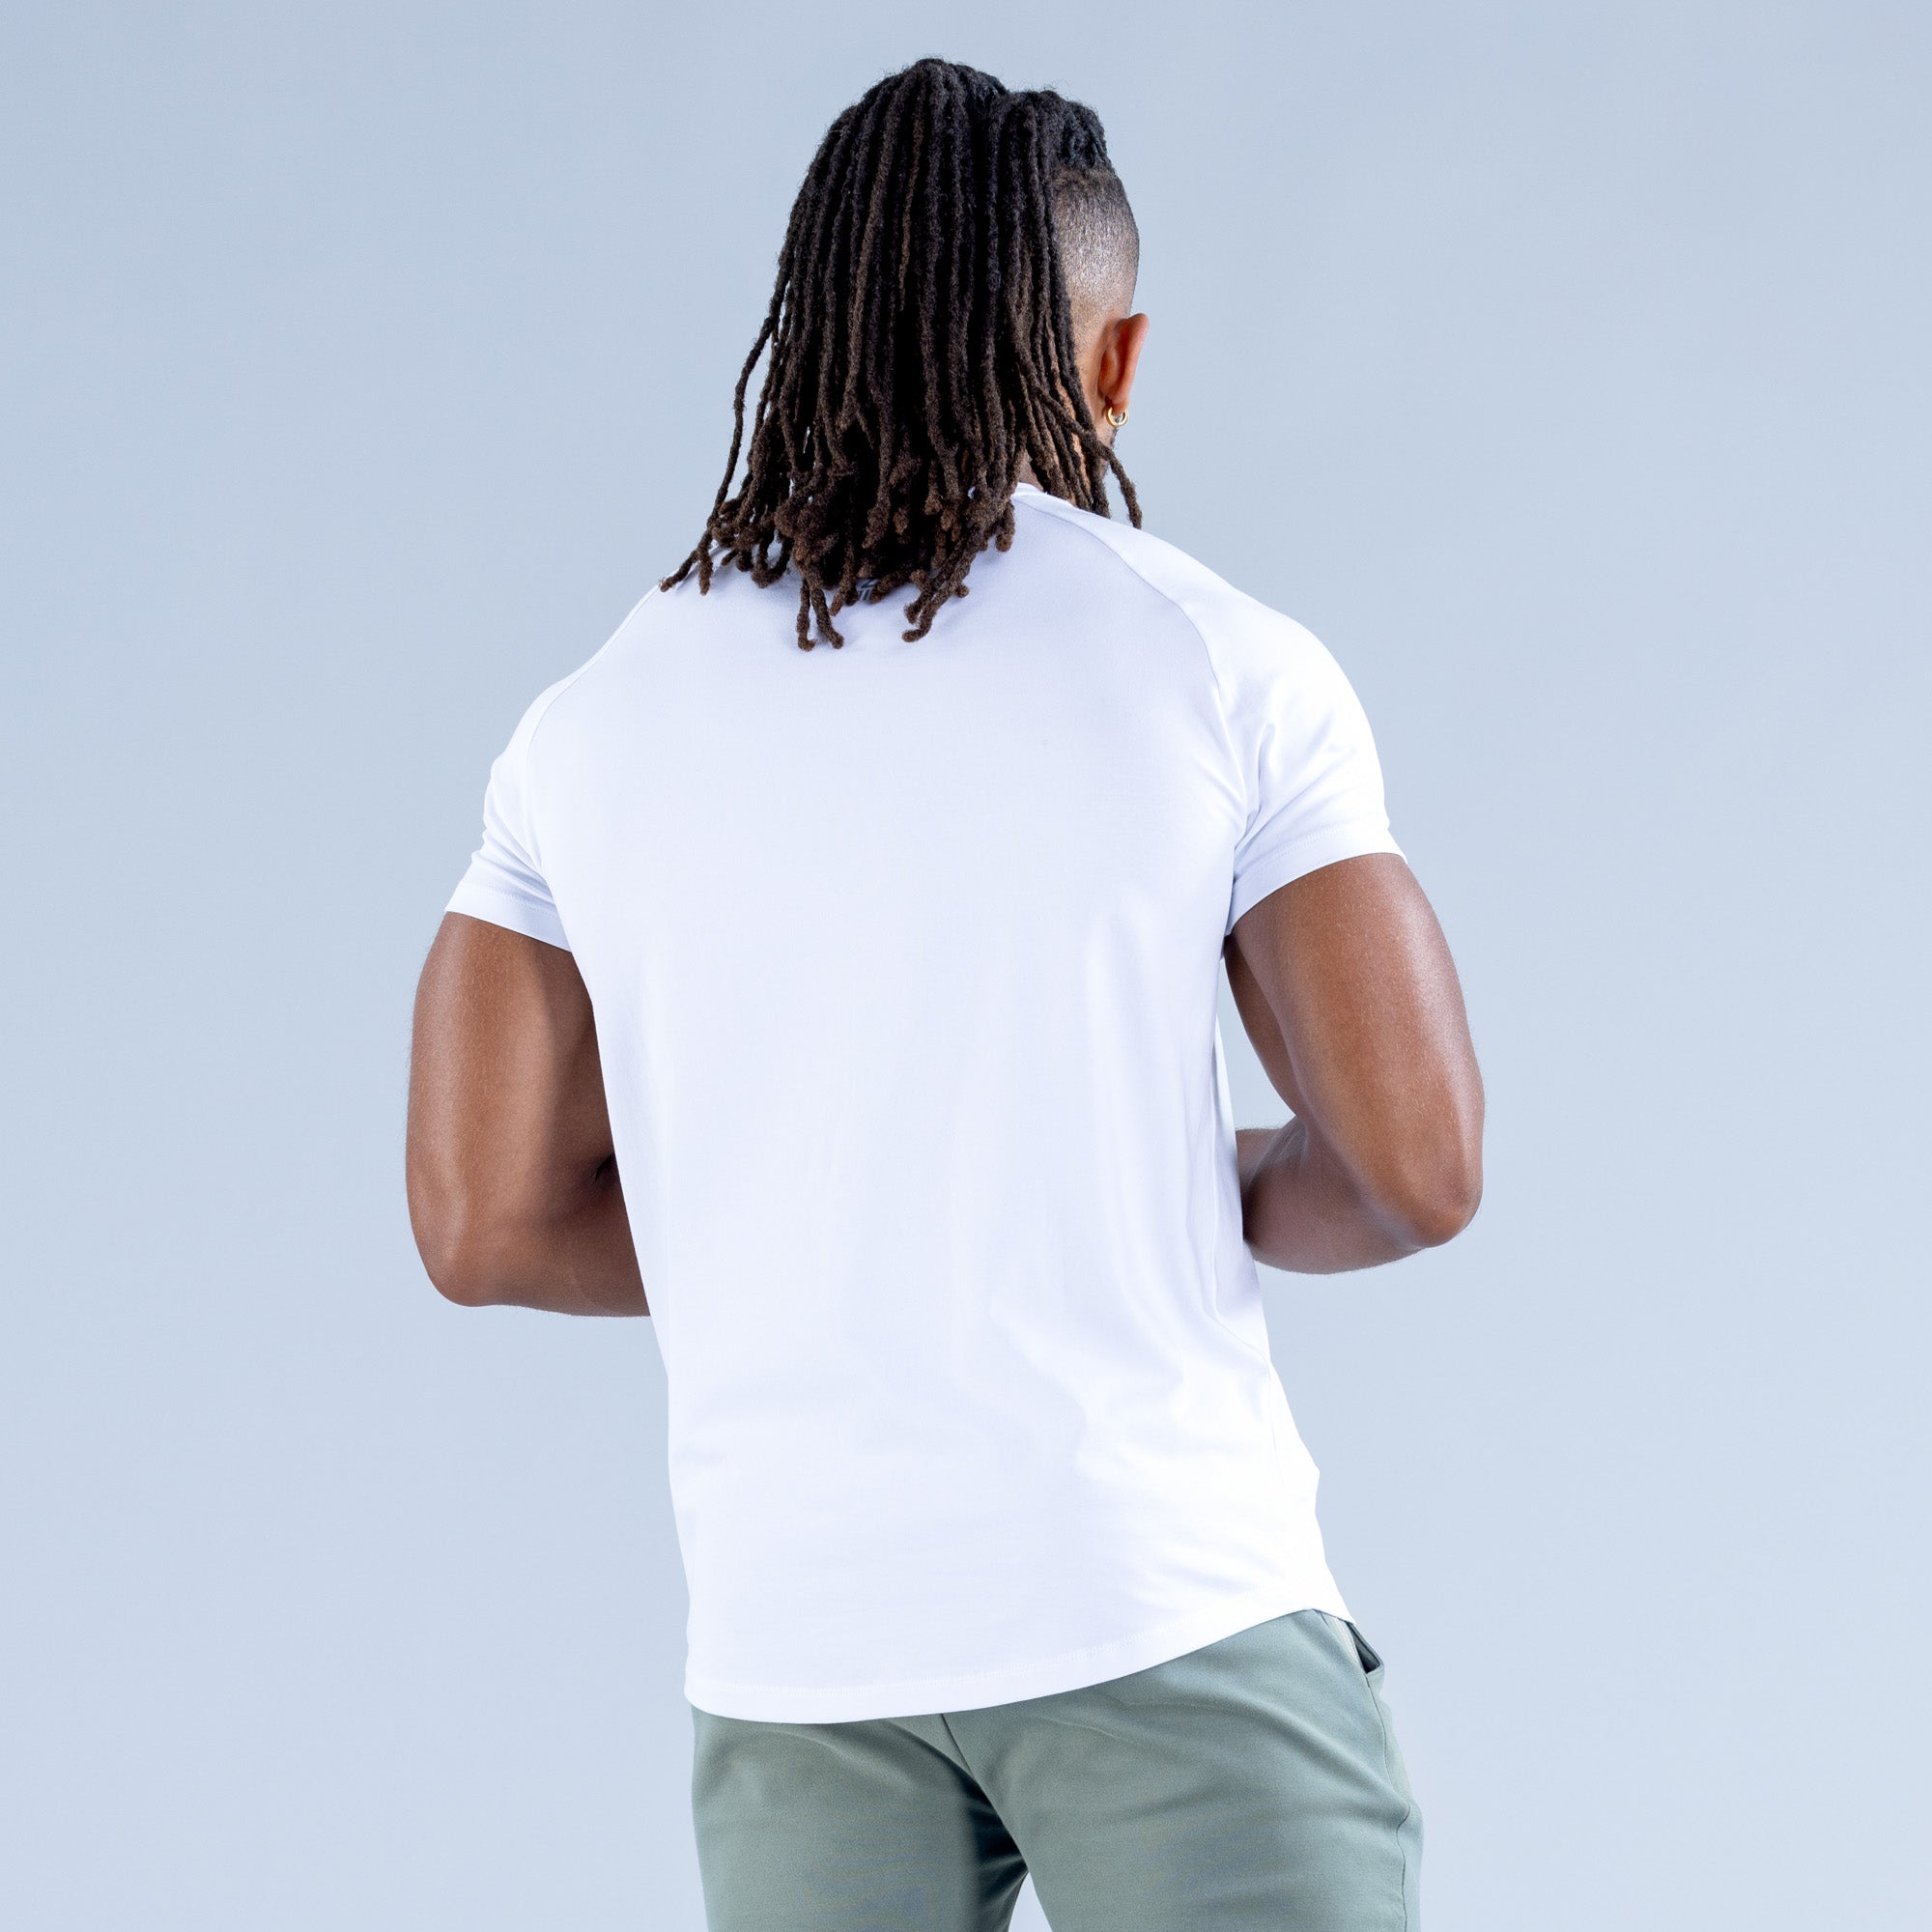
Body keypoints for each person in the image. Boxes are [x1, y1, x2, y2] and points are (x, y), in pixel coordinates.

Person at [406, 56, 1483, 1932]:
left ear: (809, 332)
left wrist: (823, 1220)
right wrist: (1172, 1184)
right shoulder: (1212, 664)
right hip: (1157, 1602)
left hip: (797, 1660)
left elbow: (480, 1222)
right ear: (1114, 363)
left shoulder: (593, 722)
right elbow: (1418, 1169)